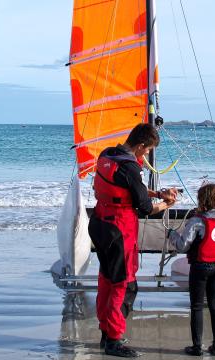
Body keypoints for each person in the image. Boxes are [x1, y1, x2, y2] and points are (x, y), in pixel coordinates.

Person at [88, 123, 177, 358]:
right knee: (125, 285)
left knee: (106, 278)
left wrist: (159, 193)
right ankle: (113, 340)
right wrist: (167, 203)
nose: (147, 154)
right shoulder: (131, 168)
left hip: (98, 223)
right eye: (147, 150)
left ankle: (106, 333)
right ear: (140, 145)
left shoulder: (107, 154)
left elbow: (129, 187)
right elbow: (146, 208)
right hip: (118, 230)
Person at [169, 183, 215, 356]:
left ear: (202, 200)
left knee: (196, 306)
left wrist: (172, 234)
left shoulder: (197, 221)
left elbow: (182, 246)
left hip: (200, 266)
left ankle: (197, 347)